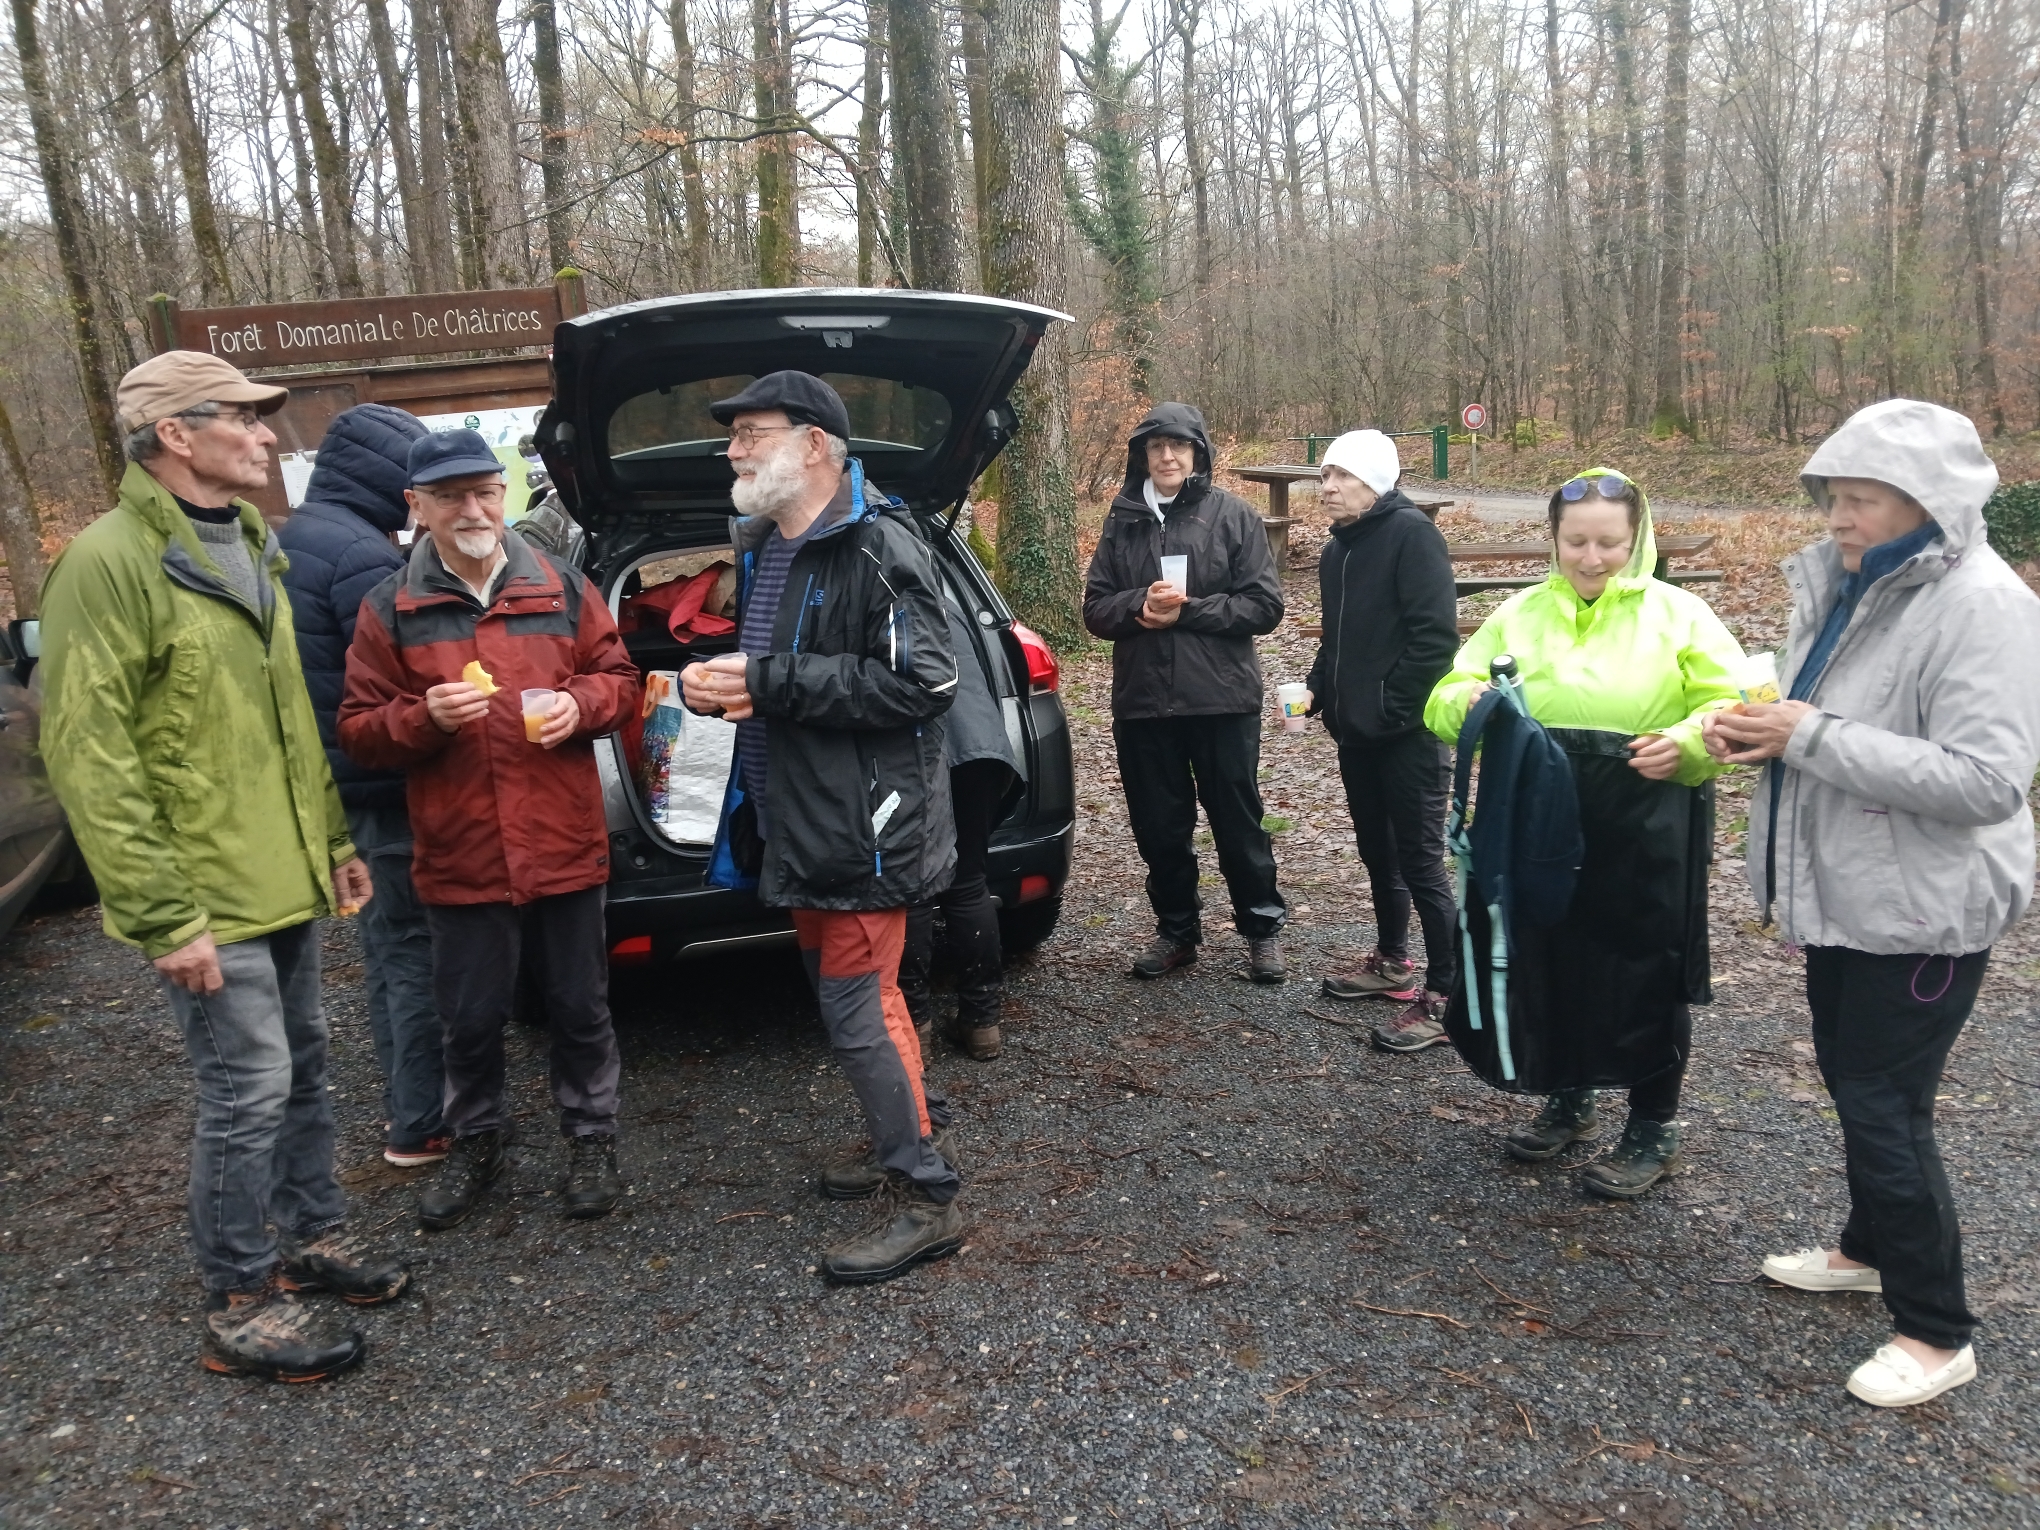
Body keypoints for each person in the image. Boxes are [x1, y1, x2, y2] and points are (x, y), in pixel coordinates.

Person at [39, 351, 406, 1383]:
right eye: (242, 418)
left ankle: (311, 1235)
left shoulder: (249, 541)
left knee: (304, 1069)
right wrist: (164, 916)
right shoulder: (107, 563)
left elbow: (285, 719)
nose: (265, 436)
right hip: (202, 891)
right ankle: (240, 1294)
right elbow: (90, 755)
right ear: (173, 433)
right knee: (246, 1088)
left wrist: (331, 843)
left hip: (278, 872)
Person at [1707, 399, 2040, 1409]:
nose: (1839, 518)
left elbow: (1989, 781)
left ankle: (1937, 1331)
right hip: (1848, 893)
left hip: (1924, 908)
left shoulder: (1983, 606)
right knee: (1861, 1086)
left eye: (1863, 500)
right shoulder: (1855, 584)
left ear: (1927, 504)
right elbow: (1829, 725)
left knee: (1885, 1107)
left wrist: (1805, 735)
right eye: (1835, 497)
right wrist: (1761, 736)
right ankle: (1866, 1249)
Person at [680, 371, 964, 1284]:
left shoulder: (877, 543)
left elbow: (927, 682)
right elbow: (781, 674)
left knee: (857, 1009)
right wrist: (723, 681)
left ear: (814, 445)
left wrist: (770, 683)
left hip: (863, 830)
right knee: (858, 1005)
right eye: (732, 436)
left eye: (750, 433)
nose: (733, 450)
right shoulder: (770, 544)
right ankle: (898, 1134)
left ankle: (927, 1196)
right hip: (797, 819)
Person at [338, 429, 641, 1231]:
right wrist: (421, 718)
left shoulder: (562, 586)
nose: (470, 509)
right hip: (461, 849)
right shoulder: (390, 607)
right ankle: (477, 1138)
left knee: (579, 1007)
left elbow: (619, 681)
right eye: (449, 497)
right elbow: (359, 729)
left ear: (503, 495)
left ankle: (592, 1138)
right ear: (417, 506)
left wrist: (580, 705)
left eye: (482, 491)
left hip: (562, 840)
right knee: (469, 1017)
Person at [1425, 467, 1743, 1199]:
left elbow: (1730, 703)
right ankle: (1569, 1096)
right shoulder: (1520, 614)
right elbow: (1446, 693)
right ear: (1554, 539)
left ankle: (1653, 1127)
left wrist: (1689, 742)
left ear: (1639, 539)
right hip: (1542, 811)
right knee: (1553, 952)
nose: (1592, 558)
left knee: (1647, 965)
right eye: (1576, 542)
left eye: (1609, 542)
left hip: (1646, 813)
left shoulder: (1681, 615)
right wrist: (1466, 701)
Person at [278, 404, 448, 1169]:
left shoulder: (300, 537)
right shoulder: (361, 557)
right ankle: (426, 1120)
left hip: (343, 788)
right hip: (385, 788)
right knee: (416, 953)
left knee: (387, 950)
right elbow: (404, 675)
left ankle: (410, 1111)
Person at [1081, 403, 1289, 983]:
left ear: (1198, 453)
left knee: (1238, 822)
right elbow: (1095, 607)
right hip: (1144, 701)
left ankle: (1261, 931)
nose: (1167, 456)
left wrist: (1189, 611)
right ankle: (1176, 930)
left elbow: (1264, 606)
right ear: (1142, 456)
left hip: (1221, 700)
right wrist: (1138, 607)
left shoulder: (1233, 515)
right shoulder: (1123, 518)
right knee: (1159, 826)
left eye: (1178, 446)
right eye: (1156, 447)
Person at [1302, 430, 1461, 1048]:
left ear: (1376, 481)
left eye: (1343, 475)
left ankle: (1446, 995)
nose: (1329, 487)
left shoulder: (1413, 536)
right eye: (1325, 475)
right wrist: (1318, 689)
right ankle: (1394, 961)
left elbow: (1434, 641)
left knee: (1421, 863)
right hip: (1357, 734)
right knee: (1378, 853)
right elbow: (1336, 638)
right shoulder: (1338, 549)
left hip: (1409, 736)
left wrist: (1389, 707)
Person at [897, 586, 1022, 1061]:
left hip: (920, 755)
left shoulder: (866, 595)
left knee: (913, 890)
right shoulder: (942, 597)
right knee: (968, 883)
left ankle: (915, 1029)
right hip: (981, 749)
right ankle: (982, 1022)